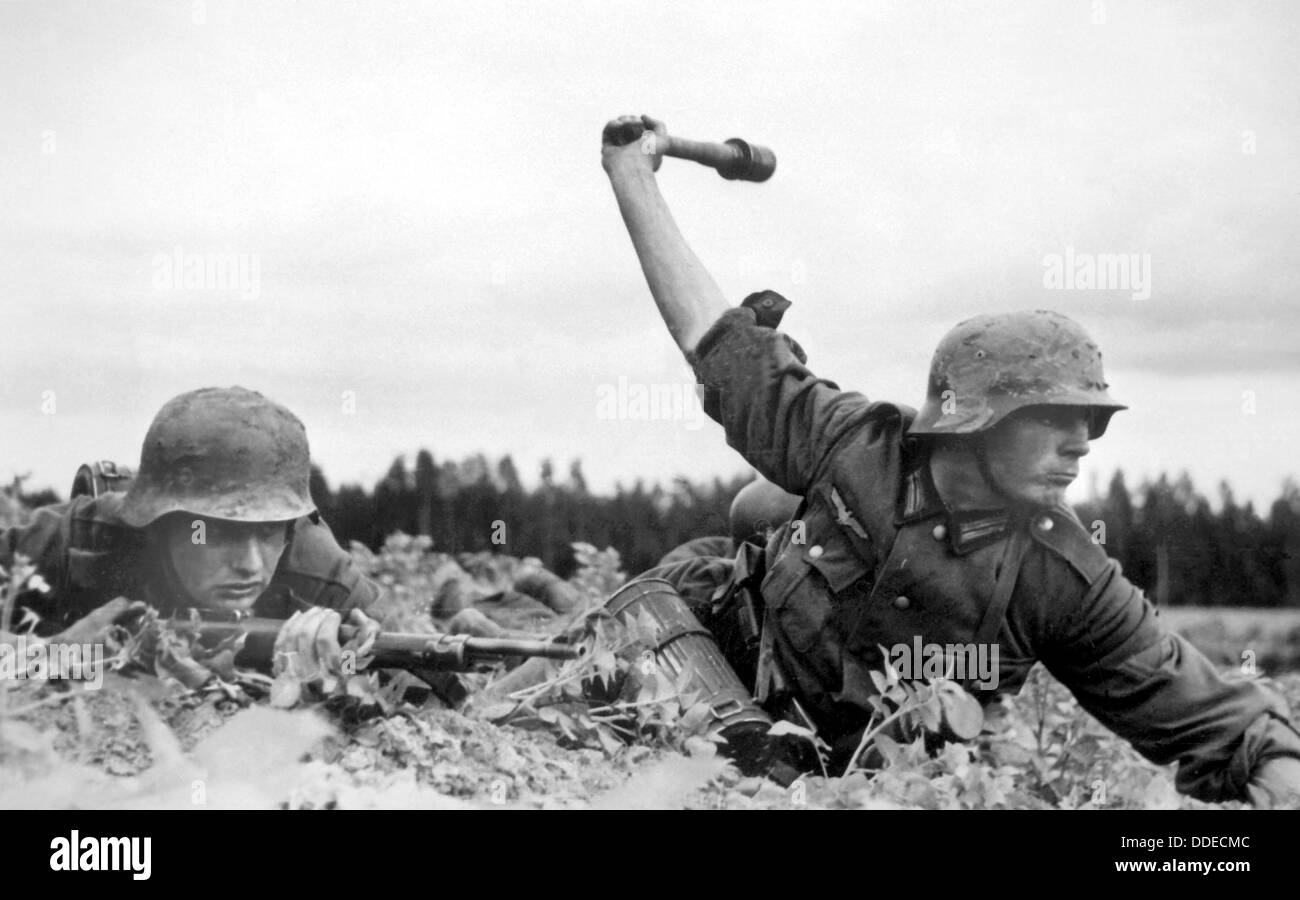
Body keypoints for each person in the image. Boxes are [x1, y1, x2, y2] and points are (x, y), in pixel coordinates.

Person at [601, 113, 1300, 806]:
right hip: (695, 660)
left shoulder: (1061, 579)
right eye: (1052, 417)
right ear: (973, 421)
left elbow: (1196, 704)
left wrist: (1277, 766)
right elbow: (719, 343)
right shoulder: (856, 444)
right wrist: (632, 176)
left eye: (1088, 420)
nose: (1081, 443)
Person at [0, 386, 381, 685]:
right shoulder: (79, 542)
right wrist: (57, 660)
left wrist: (343, 668)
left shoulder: (323, 581)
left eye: (268, 532)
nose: (250, 565)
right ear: (160, 521)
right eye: (219, 533)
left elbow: (421, 697)